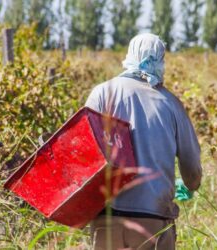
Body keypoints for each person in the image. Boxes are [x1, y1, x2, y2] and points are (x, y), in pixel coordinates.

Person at [85, 33, 203, 250]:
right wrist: (187, 186)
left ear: (129, 55)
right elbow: (193, 174)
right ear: (160, 60)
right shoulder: (171, 104)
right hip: (153, 224)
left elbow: (85, 155)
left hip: (106, 221)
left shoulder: (101, 94)